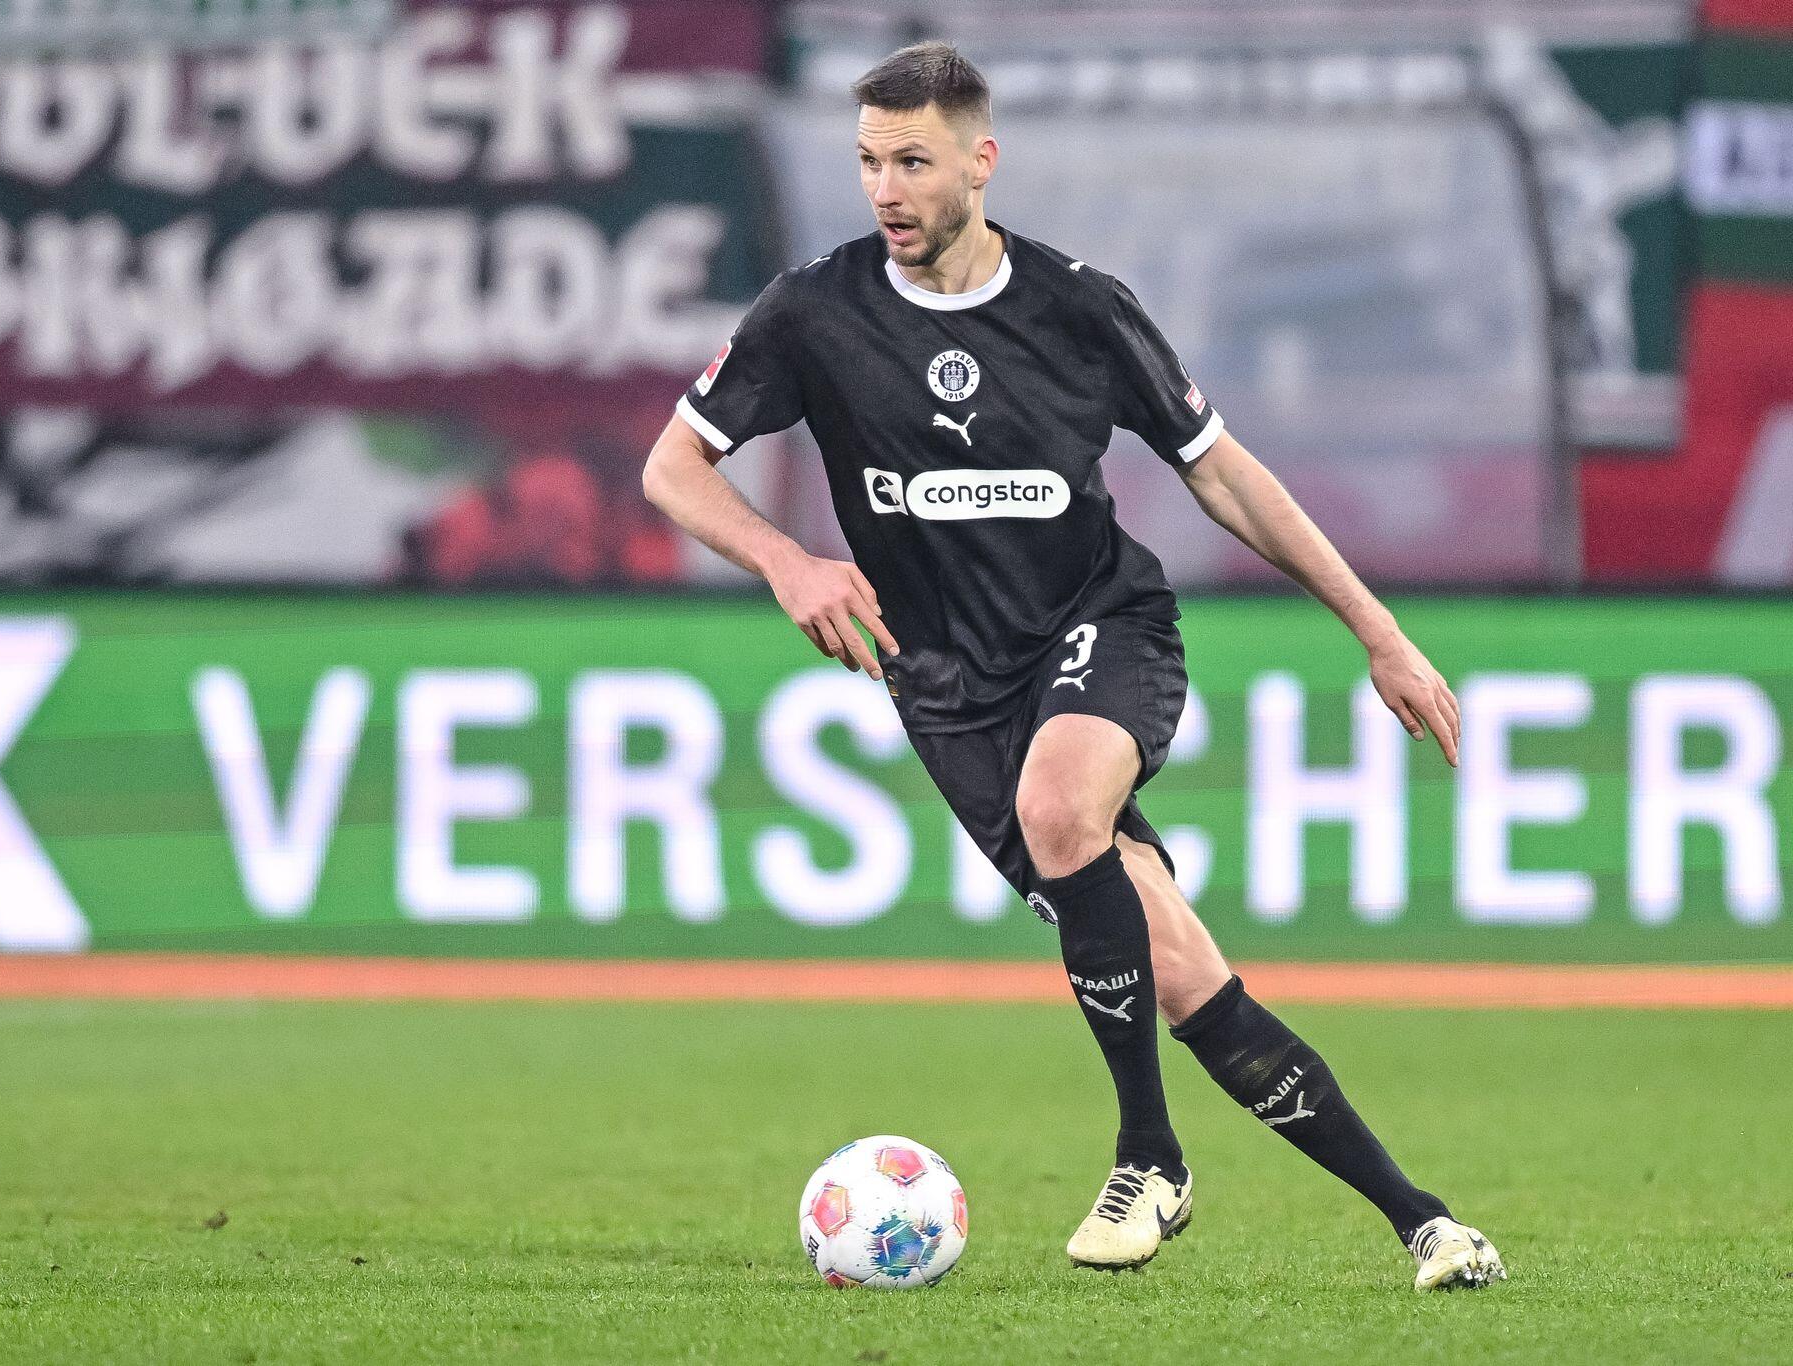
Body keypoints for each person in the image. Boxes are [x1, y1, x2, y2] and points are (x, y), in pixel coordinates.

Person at [640, 40, 1505, 1293]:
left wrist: (1378, 631)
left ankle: (1147, 1154)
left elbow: (1223, 476)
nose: (885, 189)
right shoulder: (812, 313)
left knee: (1058, 805)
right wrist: (785, 560)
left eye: (913, 162)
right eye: (869, 161)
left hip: (1101, 625)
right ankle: (1426, 1224)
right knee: (1181, 972)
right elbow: (671, 466)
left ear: (979, 162)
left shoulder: (1078, 309)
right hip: (949, 693)